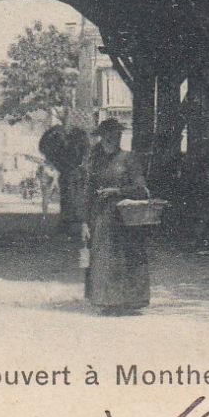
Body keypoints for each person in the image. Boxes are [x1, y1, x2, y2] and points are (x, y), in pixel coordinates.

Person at [84, 119, 154, 314]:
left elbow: (141, 189)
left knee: (127, 258)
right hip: (101, 218)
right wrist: (85, 221)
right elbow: (88, 193)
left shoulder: (129, 159)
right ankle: (107, 301)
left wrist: (117, 191)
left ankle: (130, 301)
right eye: (108, 134)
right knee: (104, 258)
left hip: (125, 217)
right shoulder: (95, 163)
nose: (113, 138)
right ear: (102, 137)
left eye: (116, 134)